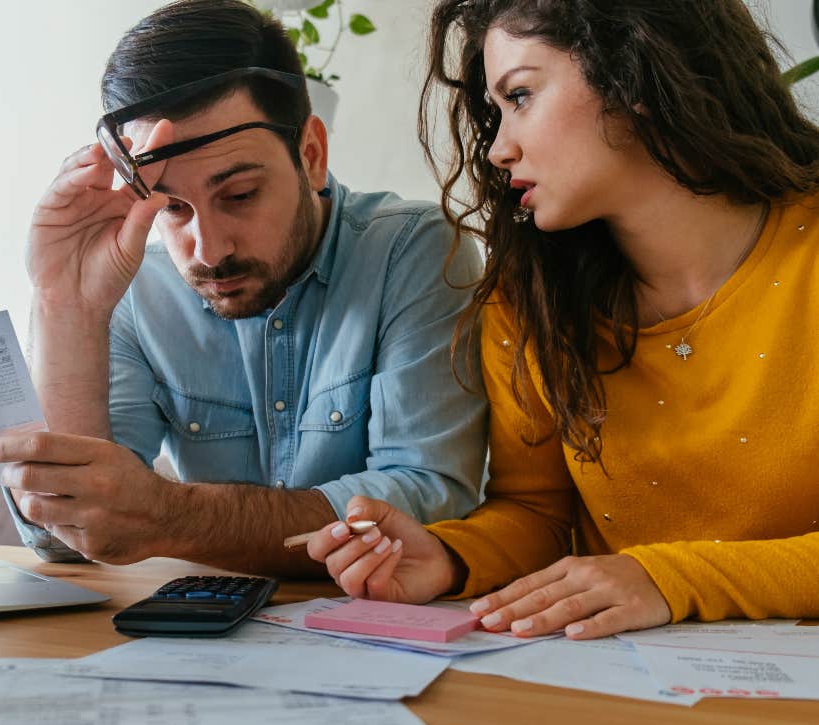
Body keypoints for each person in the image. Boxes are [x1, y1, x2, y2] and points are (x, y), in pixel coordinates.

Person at [305, 0, 819, 636]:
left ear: (635, 74)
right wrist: (449, 556)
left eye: (520, 95)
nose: (498, 149)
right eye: (496, 113)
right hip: (615, 681)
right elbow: (539, 511)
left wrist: (671, 578)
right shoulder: (530, 296)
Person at [0, 0, 488, 573]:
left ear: (312, 156)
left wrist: (172, 515)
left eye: (240, 194)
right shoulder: (134, 288)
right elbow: (70, 535)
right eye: (172, 207)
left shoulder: (410, 249)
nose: (209, 248)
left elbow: (432, 499)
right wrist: (66, 303)